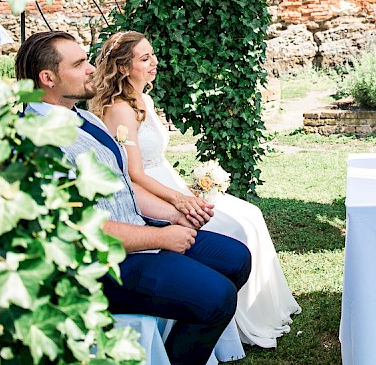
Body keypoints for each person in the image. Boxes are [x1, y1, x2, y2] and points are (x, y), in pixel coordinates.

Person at [15, 30, 252, 365]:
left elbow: (122, 185)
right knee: (217, 296)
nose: (90, 69)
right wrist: (161, 237)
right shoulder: (39, 144)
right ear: (48, 78)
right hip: (102, 266)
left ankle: (176, 349)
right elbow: (78, 228)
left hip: (138, 230)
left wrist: (174, 214)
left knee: (236, 258)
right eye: (80, 63)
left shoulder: (81, 117)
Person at [89, 31, 301, 349]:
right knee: (233, 229)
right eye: (144, 58)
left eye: (152, 54)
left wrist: (187, 187)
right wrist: (178, 199)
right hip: (154, 193)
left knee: (250, 215)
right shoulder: (120, 110)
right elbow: (133, 173)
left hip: (169, 183)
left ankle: (232, 318)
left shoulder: (143, 99)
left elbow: (155, 157)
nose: (154, 62)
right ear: (122, 68)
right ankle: (217, 317)